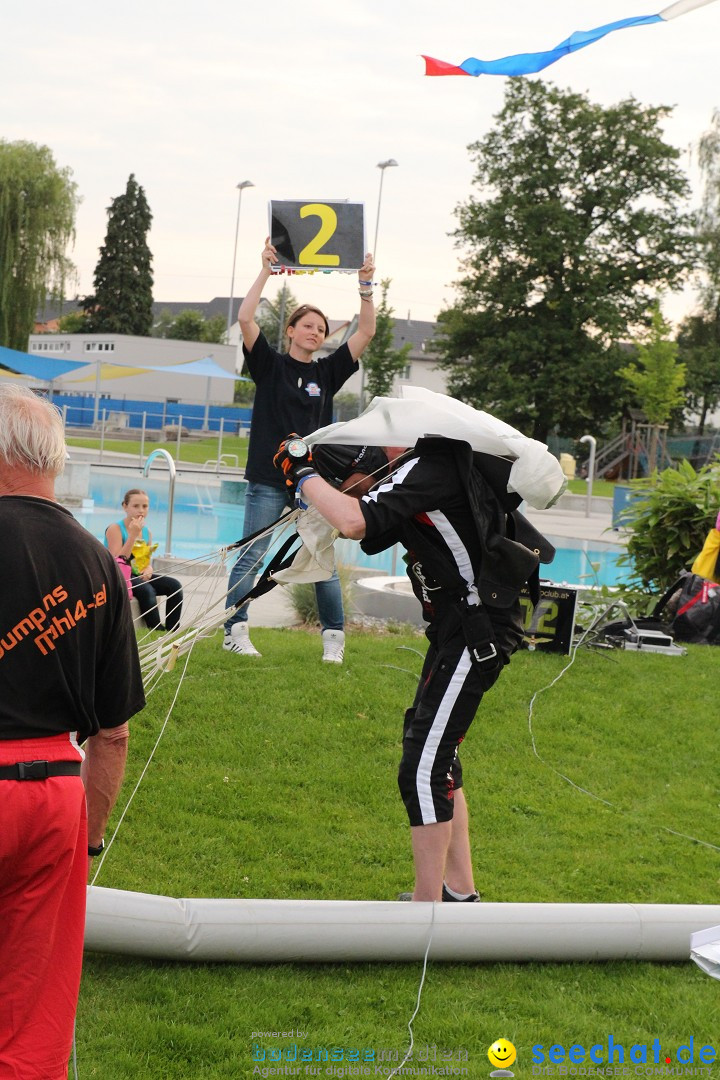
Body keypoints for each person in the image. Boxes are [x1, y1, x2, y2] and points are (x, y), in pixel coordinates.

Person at [275, 434, 551, 902]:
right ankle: (458, 892)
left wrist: (302, 471)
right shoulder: (419, 469)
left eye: (346, 482)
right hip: (459, 629)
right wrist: (316, 484)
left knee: (422, 767)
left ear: (378, 453)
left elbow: (354, 520)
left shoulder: (426, 467)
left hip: (476, 631)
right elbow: (356, 519)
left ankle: (428, 914)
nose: (348, 490)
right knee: (435, 754)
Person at [0, 384, 145, 1078]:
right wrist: (86, 839)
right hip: (57, 797)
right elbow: (111, 735)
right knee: (33, 1021)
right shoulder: (99, 563)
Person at [223, 237, 376, 663]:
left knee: (321, 557)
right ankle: (235, 629)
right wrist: (266, 272)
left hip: (314, 483)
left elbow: (366, 331)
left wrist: (366, 286)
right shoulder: (269, 365)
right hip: (268, 480)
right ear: (290, 330)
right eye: (307, 325)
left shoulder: (328, 372)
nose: (315, 332)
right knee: (252, 554)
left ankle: (334, 641)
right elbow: (245, 317)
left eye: (322, 328)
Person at [105, 488, 183, 632]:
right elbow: (118, 561)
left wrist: (148, 569)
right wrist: (132, 536)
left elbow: (146, 561)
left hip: (137, 574)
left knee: (174, 586)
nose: (141, 510)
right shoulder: (115, 529)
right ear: (125, 506)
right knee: (147, 590)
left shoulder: (147, 532)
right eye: (136, 506)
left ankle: (173, 630)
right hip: (120, 576)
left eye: (144, 506)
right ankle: (156, 629)